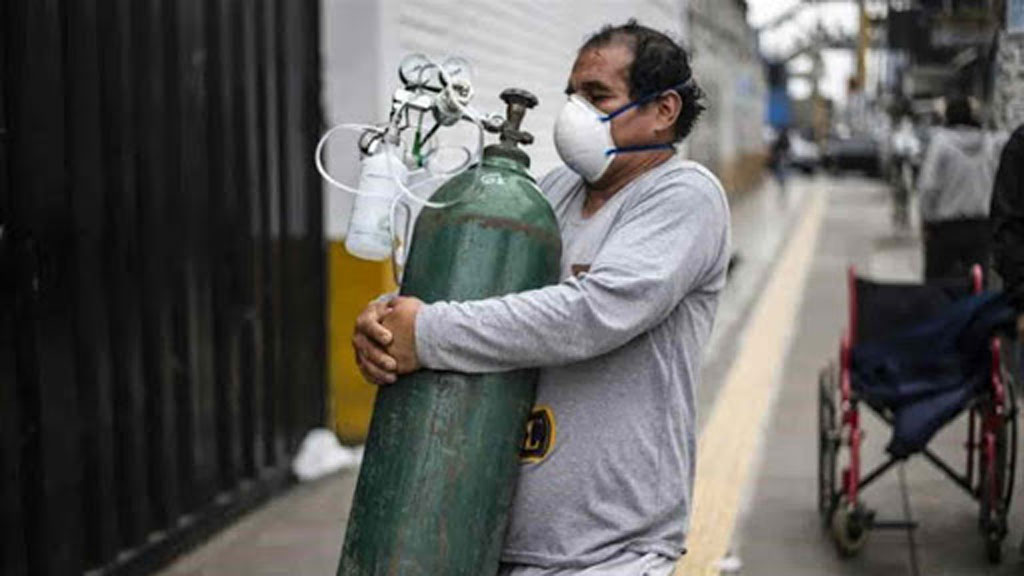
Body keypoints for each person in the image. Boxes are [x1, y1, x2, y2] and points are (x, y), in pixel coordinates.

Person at [352, 21, 730, 576]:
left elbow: (592, 313)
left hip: (607, 549)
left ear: (664, 109)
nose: (574, 111)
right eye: (572, 94)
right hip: (486, 529)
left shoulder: (685, 196)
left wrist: (427, 334)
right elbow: (475, 298)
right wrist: (387, 323)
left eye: (597, 96)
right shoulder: (549, 195)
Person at [917, 96, 1000, 280]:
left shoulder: (941, 143)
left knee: (938, 286)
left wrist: (926, 219)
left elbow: (928, 186)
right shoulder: (990, 143)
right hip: (980, 227)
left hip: (945, 229)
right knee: (978, 285)